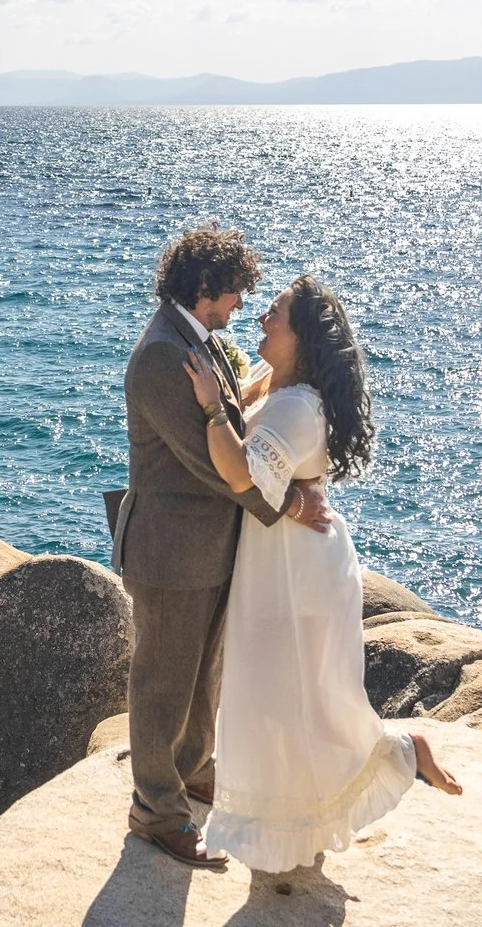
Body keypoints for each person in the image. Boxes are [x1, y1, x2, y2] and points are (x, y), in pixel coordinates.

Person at [182, 275, 462, 873]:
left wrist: (210, 405)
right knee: (280, 700)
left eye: (276, 313)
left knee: (290, 699)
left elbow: (244, 477)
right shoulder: (274, 386)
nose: (263, 319)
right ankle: (288, 823)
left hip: (297, 573)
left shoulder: (295, 406)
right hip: (281, 563)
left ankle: (399, 755)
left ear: (302, 337)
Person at [117, 223, 332, 870]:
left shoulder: (196, 339)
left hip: (206, 548)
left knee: (202, 674)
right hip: (170, 551)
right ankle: (156, 811)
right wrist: (290, 503)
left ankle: (191, 772)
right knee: (163, 682)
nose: (242, 303)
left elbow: (235, 420)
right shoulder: (162, 353)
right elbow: (215, 466)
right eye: (237, 290)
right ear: (206, 285)